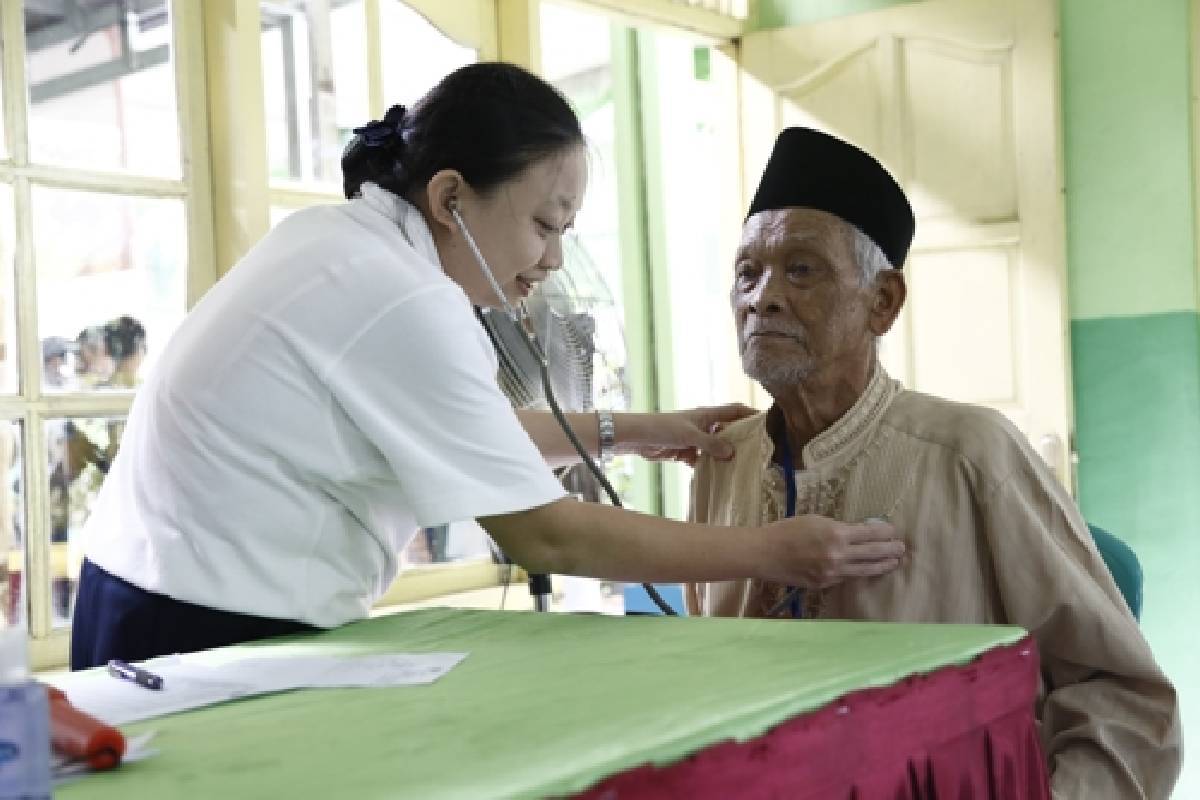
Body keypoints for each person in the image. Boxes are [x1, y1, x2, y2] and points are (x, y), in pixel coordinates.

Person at [71, 65, 905, 670]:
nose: (550, 261)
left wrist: (634, 431)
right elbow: (543, 531)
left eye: (803, 273)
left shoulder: (338, 244)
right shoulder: (403, 299)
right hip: (199, 626)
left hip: (145, 592)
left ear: (884, 303)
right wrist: (767, 552)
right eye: (545, 225)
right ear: (450, 199)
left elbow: (461, 429)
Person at [683, 127, 1181, 799]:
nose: (762, 297)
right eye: (748, 272)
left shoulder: (970, 452)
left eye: (801, 269)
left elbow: (1124, 700)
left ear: (882, 303)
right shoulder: (724, 462)